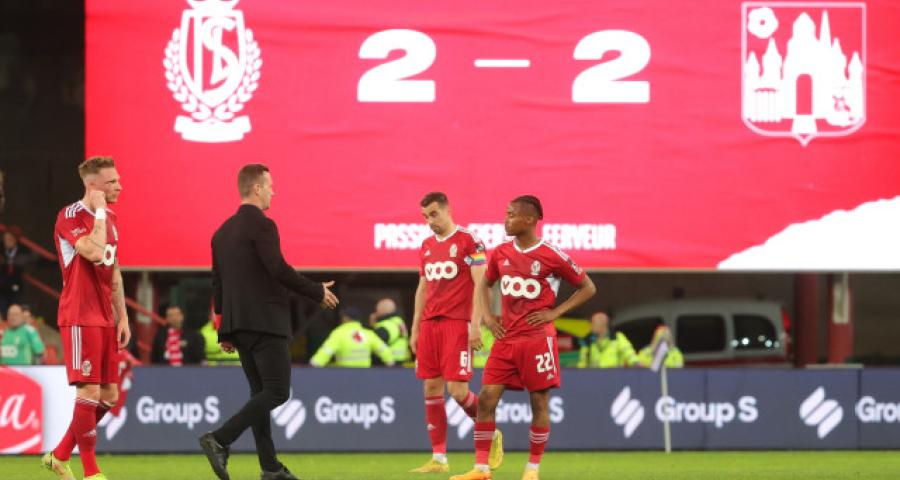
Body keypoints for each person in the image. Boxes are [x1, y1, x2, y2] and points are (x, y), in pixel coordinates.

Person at [199, 164, 339, 480]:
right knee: (277, 392)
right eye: (271, 186)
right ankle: (220, 438)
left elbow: (218, 283)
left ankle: (270, 467)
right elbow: (278, 269)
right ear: (257, 188)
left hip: (238, 325)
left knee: (259, 394)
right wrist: (316, 291)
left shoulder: (221, 233)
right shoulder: (263, 225)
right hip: (266, 322)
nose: (274, 192)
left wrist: (224, 329)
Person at [453, 195, 597, 480]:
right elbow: (484, 284)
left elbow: (588, 287)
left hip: (537, 339)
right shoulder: (501, 252)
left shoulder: (551, 254)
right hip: (506, 339)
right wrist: (488, 318)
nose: (505, 219)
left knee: (539, 403)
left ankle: (532, 469)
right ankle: (481, 469)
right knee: (486, 399)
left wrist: (555, 313)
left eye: (511, 214)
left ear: (529, 219)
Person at [42, 156, 131, 480]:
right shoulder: (70, 216)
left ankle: (59, 455)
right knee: (89, 393)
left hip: (105, 317)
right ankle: (91, 472)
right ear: (93, 186)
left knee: (109, 396)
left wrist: (123, 317)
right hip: (80, 314)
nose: (120, 186)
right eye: (112, 182)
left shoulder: (112, 218)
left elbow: (113, 268)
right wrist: (99, 213)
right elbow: (93, 251)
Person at [410, 192, 502, 474]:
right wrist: (415, 326)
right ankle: (439, 458)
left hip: (457, 323)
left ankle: (490, 431)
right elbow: (423, 287)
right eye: (425, 216)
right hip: (430, 324)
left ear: (448, 210)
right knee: (431, 387)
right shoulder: (426, 246)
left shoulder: (469, 241)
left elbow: (480, 285)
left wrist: (475, 324)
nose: (430, 221)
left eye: (434, 214)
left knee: (458, 390)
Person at [310, 306, 394, 367]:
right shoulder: (368, 334)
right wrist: (391, 364)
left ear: (346, 318)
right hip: (365, 375)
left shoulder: (339, 333)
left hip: (345, 376)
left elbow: (326, 351)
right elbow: (384, 350)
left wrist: (314, 364)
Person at [1, 230, 34, 316]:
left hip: (16, 288)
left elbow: (38, 260)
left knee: (15, 311)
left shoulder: (23, 252)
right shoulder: (2, 251)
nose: (7, 241)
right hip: (2, 288)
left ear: (15, 240)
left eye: (9, 239)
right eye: (5, 239)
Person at [369, 298, 410, 364]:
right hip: (399, 361)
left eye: (376, 309)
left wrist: (372, 326)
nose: (376, 312)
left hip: (386, 363)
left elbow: (372, 343)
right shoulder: (398, 321)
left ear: (382, 310)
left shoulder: (386, 326)